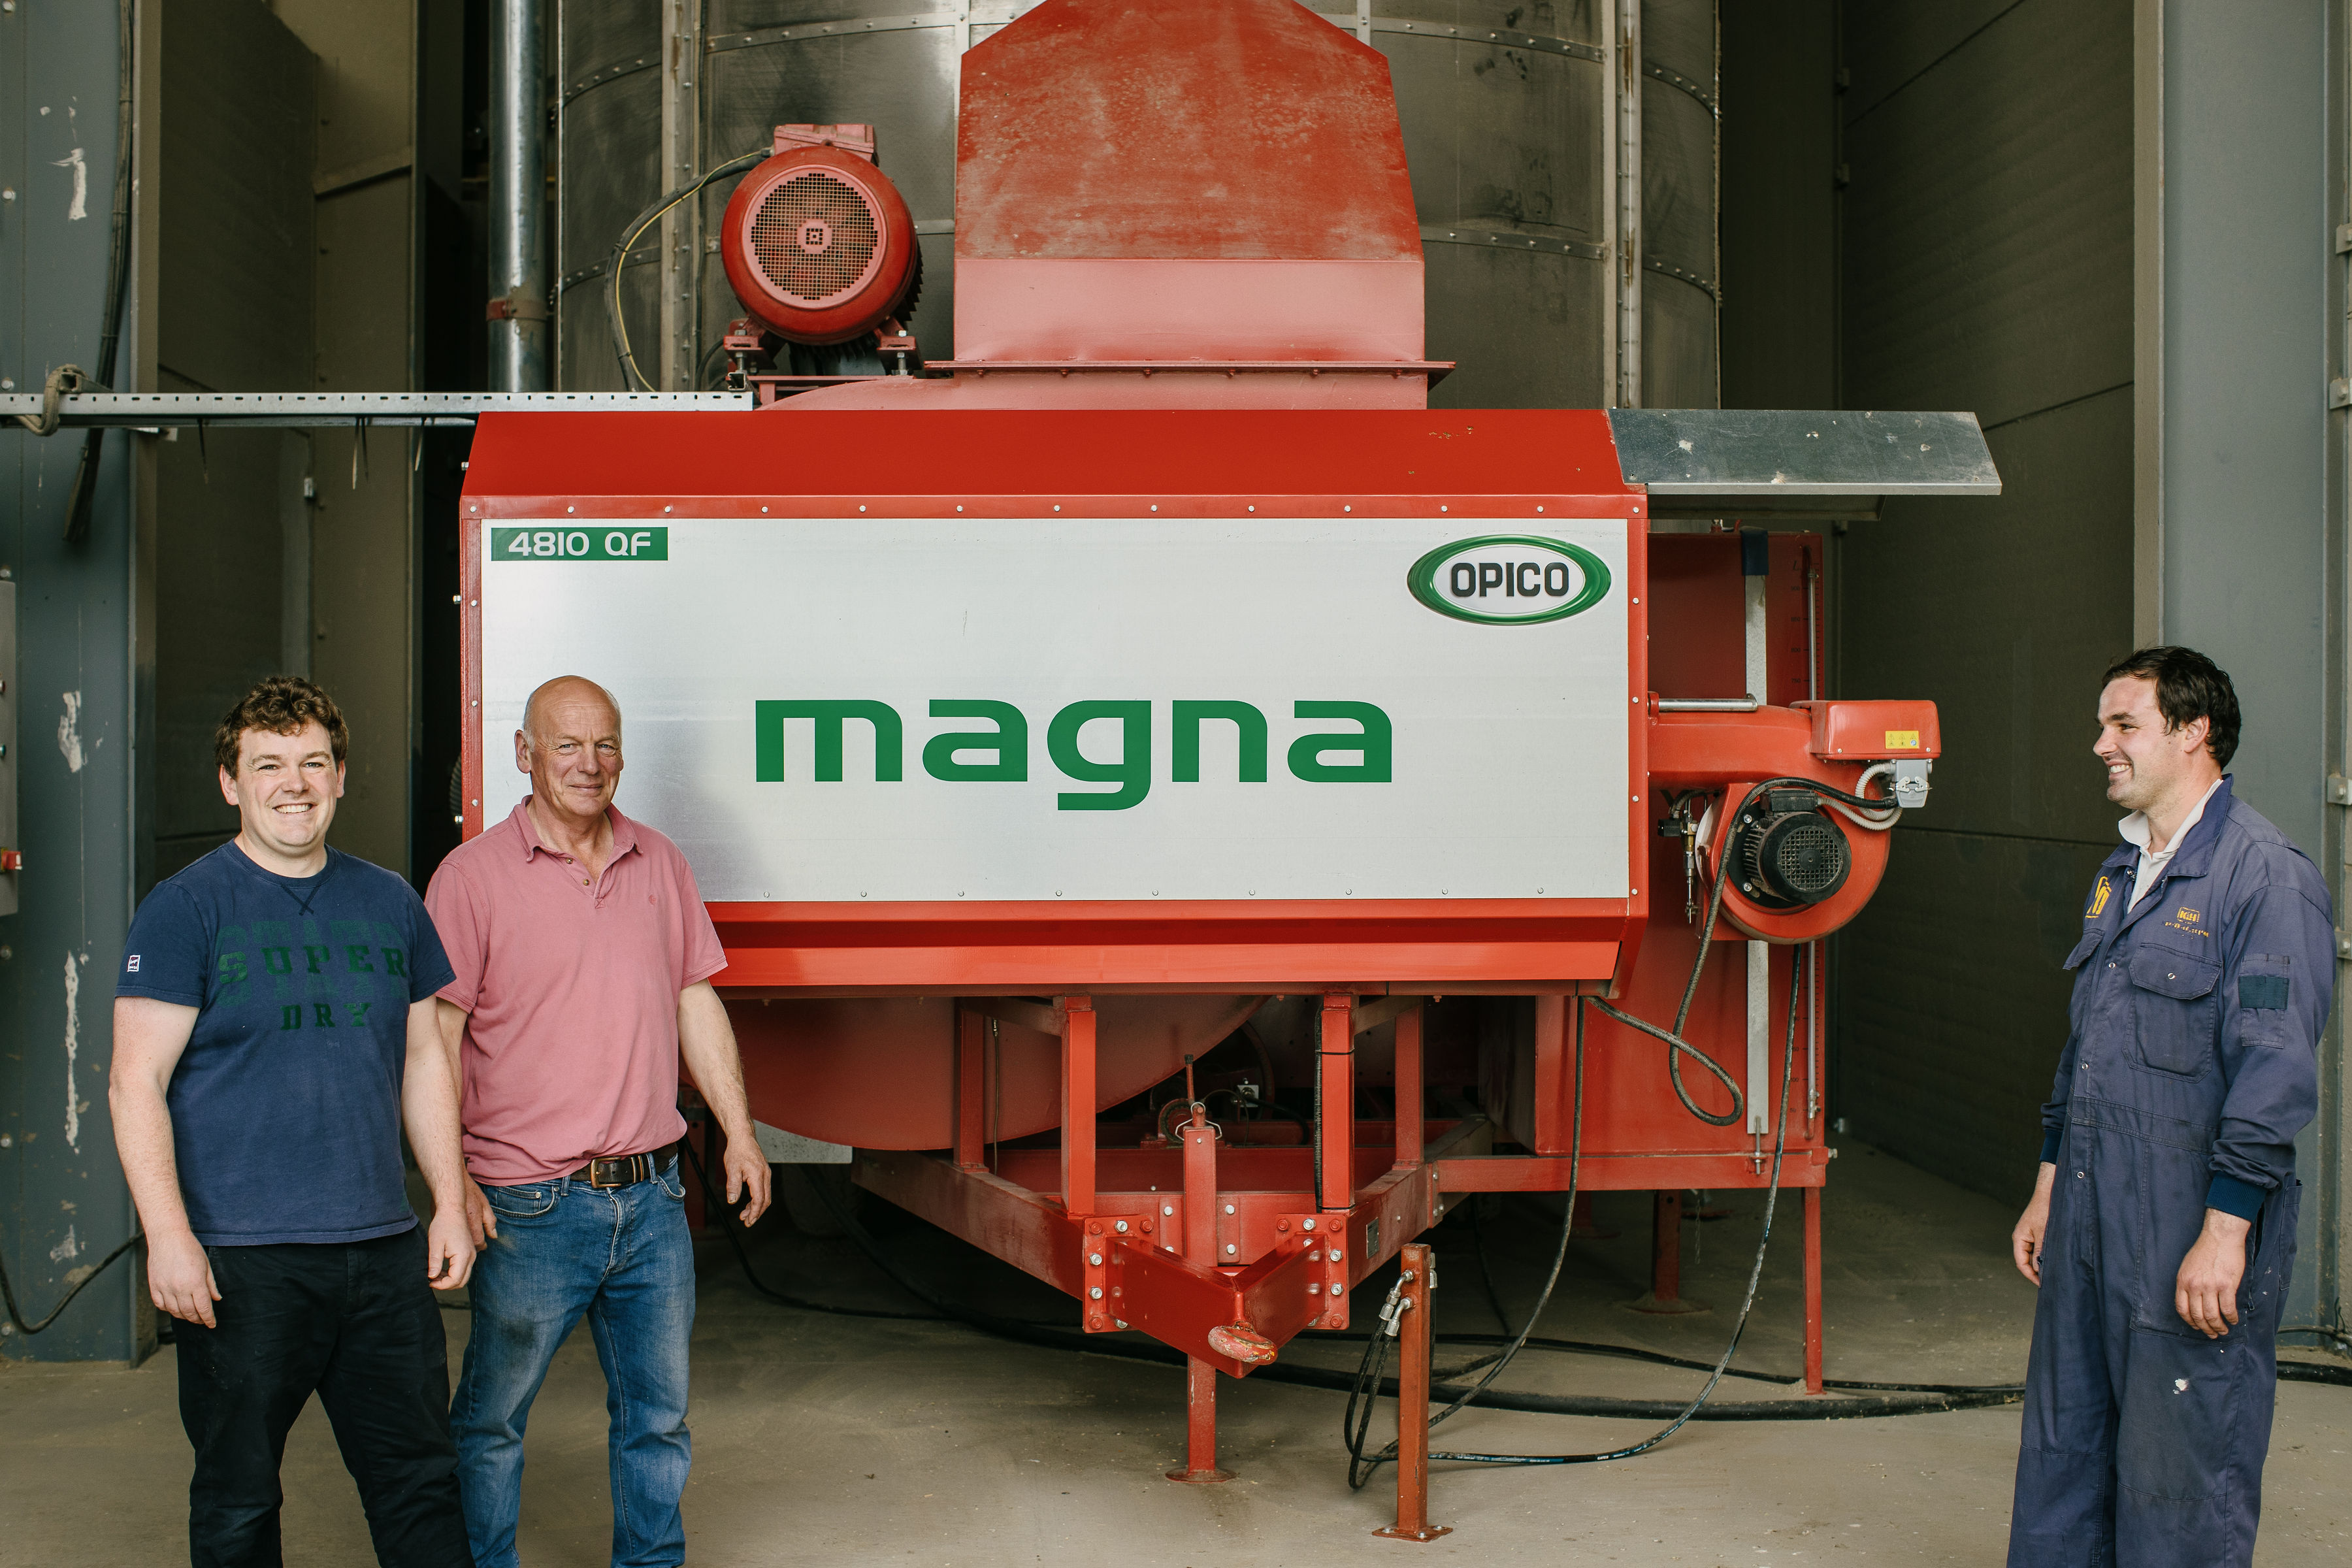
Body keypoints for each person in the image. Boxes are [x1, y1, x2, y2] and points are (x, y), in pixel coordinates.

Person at [109, 676, 477, 1568]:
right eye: (268, 764)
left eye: (314, 762)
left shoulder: (389, 900)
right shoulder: (188, 908)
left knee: (421, 1484)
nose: (295, 783)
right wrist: (168, 1238)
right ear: (231, 784)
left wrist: (450, 1201)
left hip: (382, 1252)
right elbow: (133, 1083)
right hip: (244, 1260)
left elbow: (427, 1054)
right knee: (238, 1499)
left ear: (341, 776)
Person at [426, 674, 770, 1568]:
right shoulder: (470, 879)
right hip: (527, 1207)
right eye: (567, 744)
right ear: (524, 755)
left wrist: (739, 1131)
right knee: (493, 1421)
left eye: (606, 744)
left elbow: (696, 997)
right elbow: (434, 1040)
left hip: (653, 1200)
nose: (590, 763)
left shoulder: (659, 861)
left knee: (657, 1421)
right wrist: (449, 1183)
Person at [2007, 646, 2332, 1566]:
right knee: (2067, 1446)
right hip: (2091, 1210)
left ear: (2193, 734)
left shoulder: (2264, 879)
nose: (2100, 745)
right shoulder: (2124, 871)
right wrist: (2048, 1186)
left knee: (2181, 1466)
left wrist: (2226, 1231)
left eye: (2124, 725)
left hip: (2184, 1210)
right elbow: (2087, 1050)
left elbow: (2274, 1077)